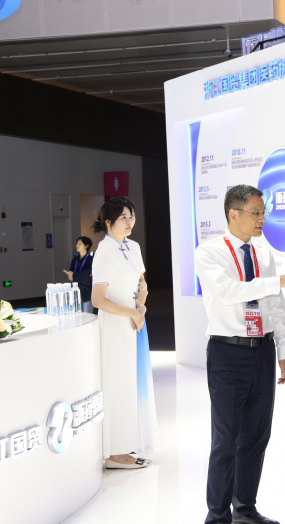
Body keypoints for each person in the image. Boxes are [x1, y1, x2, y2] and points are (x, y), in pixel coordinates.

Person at [195, 185, 285, 524]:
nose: (263, 219)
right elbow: (227, 292)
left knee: (257, 437)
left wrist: (284, 350)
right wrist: (278, 281)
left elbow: (276, 306)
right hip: (227, 353)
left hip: (262, 352)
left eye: (264, 212)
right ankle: (217, 516)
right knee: (225, 441)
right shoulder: (209, 252)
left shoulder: (263, 254)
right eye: (256, 213)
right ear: (234, 214)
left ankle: (245, 509)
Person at [91, 197, 154, 469]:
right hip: (115, 325)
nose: (130, 222)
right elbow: (98, 300)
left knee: (132, 382)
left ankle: (127, 444)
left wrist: (141, 304)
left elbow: (142, 282)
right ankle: (114, 452)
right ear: (108, 222)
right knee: (117, 383)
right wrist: (133, 313)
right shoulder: (104, 251)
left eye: (132, 216)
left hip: (134, 321)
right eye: (123, 217)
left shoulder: (133, 246)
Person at [66, 236, 94, 313]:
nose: (77, 245)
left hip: (87, 291)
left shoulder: (91, 259)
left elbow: (88, 274)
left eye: (80, 244)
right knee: (77, 315)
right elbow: (70, 275)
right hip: (76, 291)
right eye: (77, 243)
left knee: (87, 315)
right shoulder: (75, 260)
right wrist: (72, 275)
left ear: (86, 246)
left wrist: (74, 276)